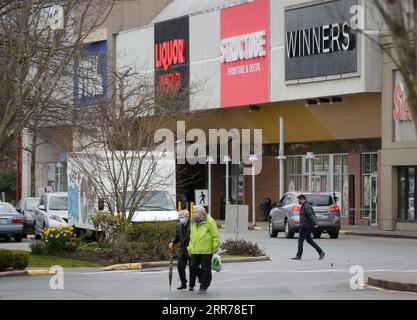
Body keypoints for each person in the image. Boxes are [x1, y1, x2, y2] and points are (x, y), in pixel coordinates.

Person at [187, 205, 220, 294]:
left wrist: (215, 246)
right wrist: (189, 248)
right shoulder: (193, 222)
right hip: (196, 249)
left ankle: (203, 287)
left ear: (201, 213)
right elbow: (192, 236)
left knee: (206, 268)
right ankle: (204, 279)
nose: (193, 214)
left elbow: (215, 235)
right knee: (193, 266)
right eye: (193, 212)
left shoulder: (209, 221)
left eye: (195, 212)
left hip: (206, 250)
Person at [292, 194, 326, 260]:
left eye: (299, 200)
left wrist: (315, 223)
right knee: (309, 240)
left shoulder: (306, 206)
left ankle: (299, 255)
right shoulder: (305, 205)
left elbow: (311, 215)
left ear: (302, 199)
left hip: (305, 226)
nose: (298, 201)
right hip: (306, 226)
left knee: (300, 241)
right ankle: (321, 252)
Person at [168, 210, 196, 290]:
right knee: (180, 266)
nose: (180, 219)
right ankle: (183, 283)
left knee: (192, 268)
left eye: (182, 217)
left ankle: (191, 285)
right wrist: (172, 242)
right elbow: (177, 237)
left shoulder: (193, 225)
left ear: (187, 217)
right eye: (180, 217)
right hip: (182, 250)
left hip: (191, 249)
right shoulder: (178, 225)